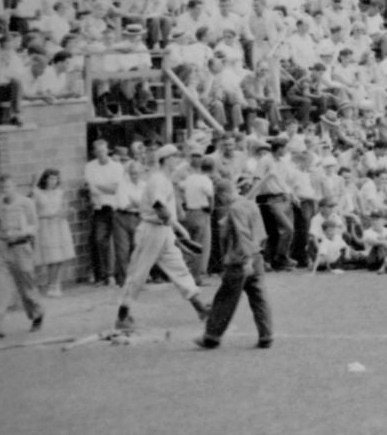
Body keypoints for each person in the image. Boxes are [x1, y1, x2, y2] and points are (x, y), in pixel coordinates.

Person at [114, 145, 211, 336]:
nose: (177, 160)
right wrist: (179, 230)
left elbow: (167, 213)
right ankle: (122, 317)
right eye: (174, 157)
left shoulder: (165, 179)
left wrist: (177, 230)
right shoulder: (157, 179)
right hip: (150, 229)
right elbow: (159, 207)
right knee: (138, 274)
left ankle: (201, 309)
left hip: (163, 230)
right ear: (166, 159)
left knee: (179, 268)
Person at [196, 172, 274, 349]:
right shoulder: (250, 205)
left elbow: (242, 235)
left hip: (240, 259)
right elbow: (260, 233)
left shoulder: (235, 209)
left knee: (225, 299)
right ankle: (266, 334)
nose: (220, 202)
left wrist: (246, 260)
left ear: (223, 194)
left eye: (219, 198)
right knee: (259, 297)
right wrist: (254, 255)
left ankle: (212, 336)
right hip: (257, 255)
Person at [0, 175, 46, 341]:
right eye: (2, 188)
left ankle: (37, 314)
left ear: (14, 186)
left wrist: (21, 233)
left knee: (26, 287)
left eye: (8, 187)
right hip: (3, 249)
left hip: (21, 248)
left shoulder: (26, 203)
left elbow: (34, 226)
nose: (5, 190)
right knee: (0, 289)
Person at [83, 140, 129, 285]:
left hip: (115, 208)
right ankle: (103, 276)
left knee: (118, 243)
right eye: (98, 152)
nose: (101, 154)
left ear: (107, 150)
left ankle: (118, 276)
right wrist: (102, 187)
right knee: (99, 240)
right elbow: (90, 188)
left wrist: (97, 186)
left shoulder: (116, 167)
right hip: (99, 208)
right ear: (94, 152)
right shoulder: (90, 166)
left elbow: (114, 189)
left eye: (103, 151)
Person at [33, 168, 76, 295]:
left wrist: (67, 212)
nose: (53, 181)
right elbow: (33, 214)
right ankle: (51, 285)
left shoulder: (59, 192)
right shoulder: (37, 193)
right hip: (46, 226)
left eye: (56, 179)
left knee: (60, 257)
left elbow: (62, 208)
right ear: (45, 179)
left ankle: (56, 284)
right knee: (52, 258)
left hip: (59, 225)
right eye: (51, 178)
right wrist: (48, 215)